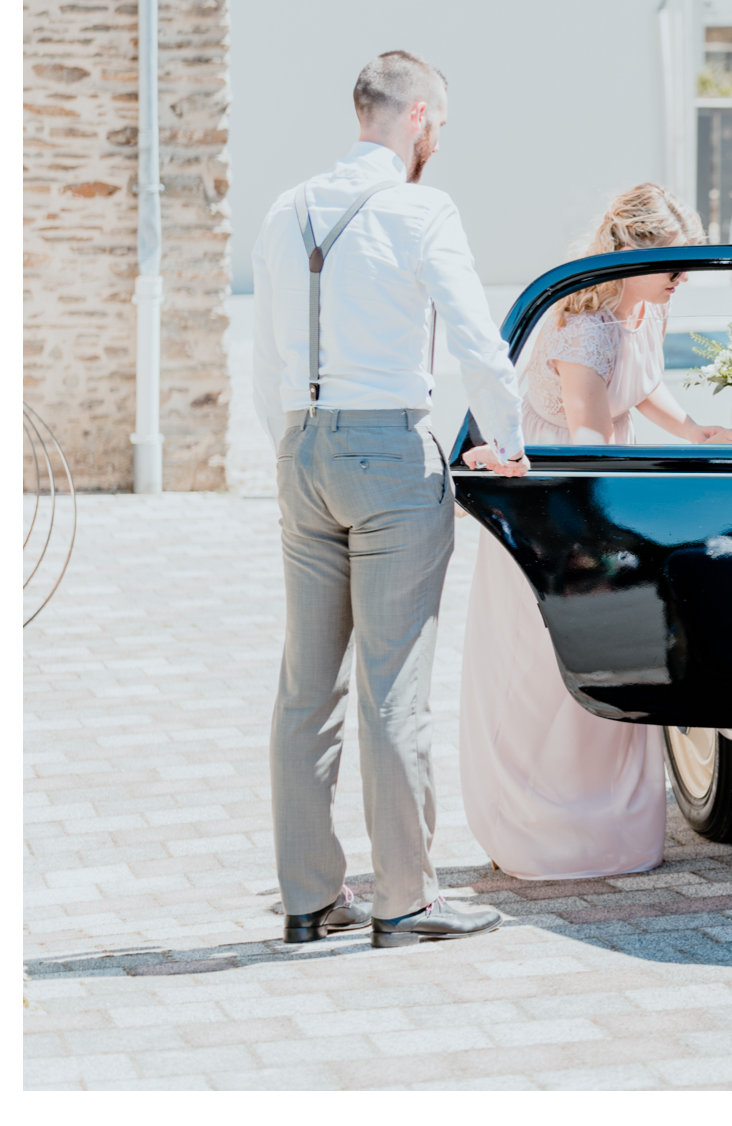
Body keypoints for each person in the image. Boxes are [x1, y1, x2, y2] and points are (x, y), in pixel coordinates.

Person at [252, 51, 524, 950]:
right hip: (389, 451)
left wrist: (294, 447)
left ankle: (306, 898)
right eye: (438, 122)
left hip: (302, 448)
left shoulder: (284, 209)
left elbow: (265, 362)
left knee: (305, 688)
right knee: (392, 686)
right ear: (414, 118)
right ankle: (404, 898)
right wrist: (510, 437)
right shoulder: (421, 207)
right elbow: (481, 344)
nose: (438, 137)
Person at [459, 185, 732, 880]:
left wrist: (695, 430)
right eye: (671, 264)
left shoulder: (640, 312)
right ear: (630, 252)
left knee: (616, 661)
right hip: (558, 515)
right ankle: (552, 835)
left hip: (602, 503)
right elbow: (589, 440)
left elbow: (645, 384)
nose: (683, 276)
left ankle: (609, 830)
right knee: (552, 672)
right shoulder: (585, 329)